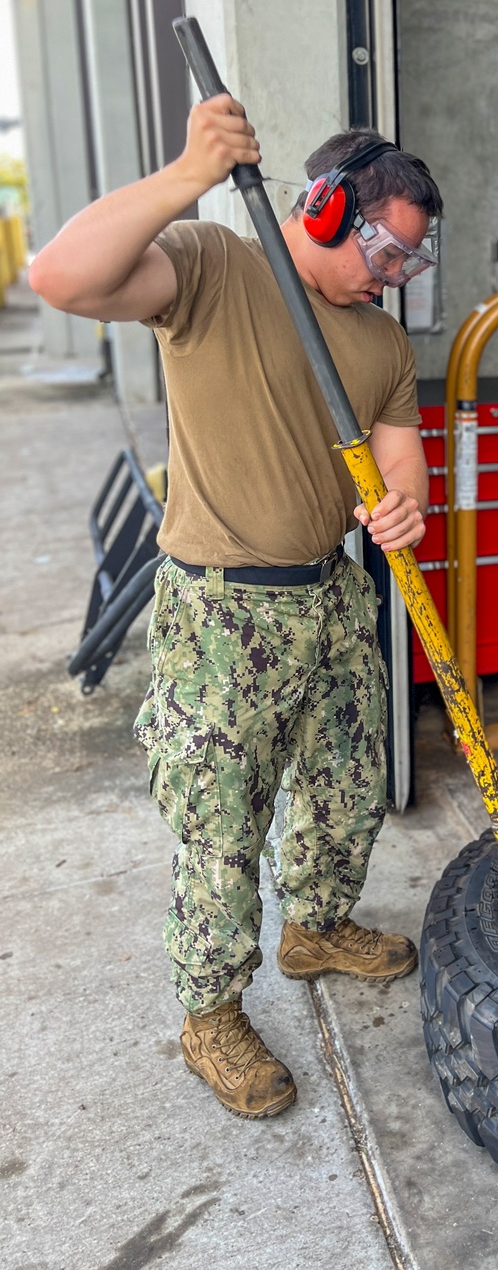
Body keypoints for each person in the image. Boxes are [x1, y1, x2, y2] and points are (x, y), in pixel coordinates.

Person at [29, 94, 443, 1119]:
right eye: (385, 250)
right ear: (321, 209)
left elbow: (402, 465)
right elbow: (60, 276)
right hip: (222, 612)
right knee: (222, 827)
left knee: (351, 786)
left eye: (410, 262)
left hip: (332, 596)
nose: (393, 276)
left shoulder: (382, 347)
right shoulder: (216, 267)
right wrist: (184, 175)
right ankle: (210, 1012)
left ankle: (315, 924)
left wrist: (405, 512)